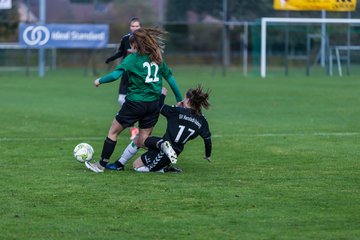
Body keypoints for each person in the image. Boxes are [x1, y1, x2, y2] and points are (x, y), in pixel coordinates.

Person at [85, 28, 183, 173]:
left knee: (113, 132)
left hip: (135, 104)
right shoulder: (157, 58)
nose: (130, 48)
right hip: (154, 104)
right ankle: (162, 144)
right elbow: (170, 79)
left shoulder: (132, 58)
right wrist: (179, 98)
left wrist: (100, 80)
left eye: (131, 45)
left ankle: (100, 165)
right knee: (142, 139)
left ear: (136, 45)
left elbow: (115, 76)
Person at [132, 85, 212, 173]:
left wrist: (162, 94)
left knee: (136, 167)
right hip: (175, 151)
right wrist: (207, 155)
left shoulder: (177, 111)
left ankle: (164, 168)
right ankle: (120, 163)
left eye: (184, 98)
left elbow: (159, 106)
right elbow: (207, 139)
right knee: (140, 140)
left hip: (164, 152)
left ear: (188, 101)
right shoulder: (202, 120)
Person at [105, 17, 141, 140]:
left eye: (137, 26)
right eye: (133, 26)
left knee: (134, 101)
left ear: (140, 27)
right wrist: (111, 58)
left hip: (138, 74)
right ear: (130, 27)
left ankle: (134, 129)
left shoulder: (144, 39)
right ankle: (132, 124)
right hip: (126, 72)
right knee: (121, 100)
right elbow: (121, 52)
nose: (135, 28)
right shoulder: (126, 39)